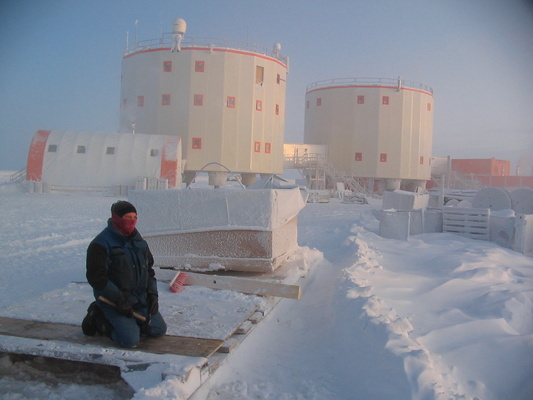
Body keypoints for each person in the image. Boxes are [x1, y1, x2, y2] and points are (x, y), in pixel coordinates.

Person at [82, 200, 167, 347]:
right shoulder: (100, 244)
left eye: (135, 217)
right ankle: (97, 317)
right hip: (114, 301)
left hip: (139, 299)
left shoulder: (140, 243)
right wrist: (118, 299)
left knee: (159, 329)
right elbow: (96, 278)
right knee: (129, 340)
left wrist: (152, 294)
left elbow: (149, 271)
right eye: (127, 217)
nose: (132, 221)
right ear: (116, 218)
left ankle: (132, 322)